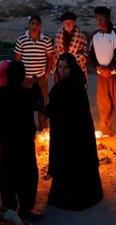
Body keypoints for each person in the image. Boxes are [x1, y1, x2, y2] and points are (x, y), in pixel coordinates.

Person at [44, 53, 104, 211]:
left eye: (66, 68)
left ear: (72, 69)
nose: (62, 71)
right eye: (60, 67)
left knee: (73, 164)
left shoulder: (73, 85)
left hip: (73, 134)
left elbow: (67, 110)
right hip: (67, 132)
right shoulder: (66, 85)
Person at [0, 61, 44, 221]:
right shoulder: (27, 95)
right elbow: (40, 105)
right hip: (25, 141)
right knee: (27, 176)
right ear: (22, 76)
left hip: (6, 141)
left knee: (8, 175)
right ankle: (26, 210)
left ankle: (9, 209)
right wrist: (35, 87)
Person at [90, 6, 116, 138]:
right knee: (104, 104)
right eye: (97, 18)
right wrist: (98, 68)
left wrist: (110, 69)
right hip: (102, 76)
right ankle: (106, 130)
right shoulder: (95, 35)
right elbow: (91, 54)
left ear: (108, 18)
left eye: (102, 17)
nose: (99, 21)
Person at [14, 15, 54, 130]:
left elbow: (50, 57)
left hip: (40, 78)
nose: (35, 26)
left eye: (37, 24)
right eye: (33, 23)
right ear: (29, 25)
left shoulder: (45, 40)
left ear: (40, 26)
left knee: (42, 106)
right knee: (26, 106)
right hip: (26, 78)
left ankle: (43, 130)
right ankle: (28, 130)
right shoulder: (21, 39)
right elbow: (18, 59)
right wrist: (18, 76)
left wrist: (47, 74)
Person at [53, 11, 89, 81]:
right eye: (66, 23)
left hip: (77, 67)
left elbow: (85, 53)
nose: (68, 25)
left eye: (70, 23)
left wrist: (71, 62)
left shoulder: (81, 35)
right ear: (63, 23)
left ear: (74, 23)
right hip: (62, 68)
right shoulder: (58, 35)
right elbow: (56, 53)